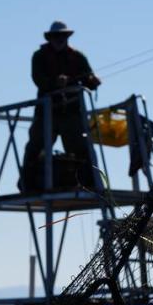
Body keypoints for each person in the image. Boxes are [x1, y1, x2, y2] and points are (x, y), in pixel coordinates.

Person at [20, 21, 102, 192]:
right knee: (36, 147)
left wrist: (93, 81)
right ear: (50, 38)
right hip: (47, 112)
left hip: (71, 113)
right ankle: (27, 183)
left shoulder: (78, 57)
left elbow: (89, 77)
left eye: (63, 36)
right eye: (56, 36)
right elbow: (38, 80)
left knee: (80, 148)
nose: (60, 39)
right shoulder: (39, 56)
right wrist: (55, 82)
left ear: (67, 37)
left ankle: (89, 184)